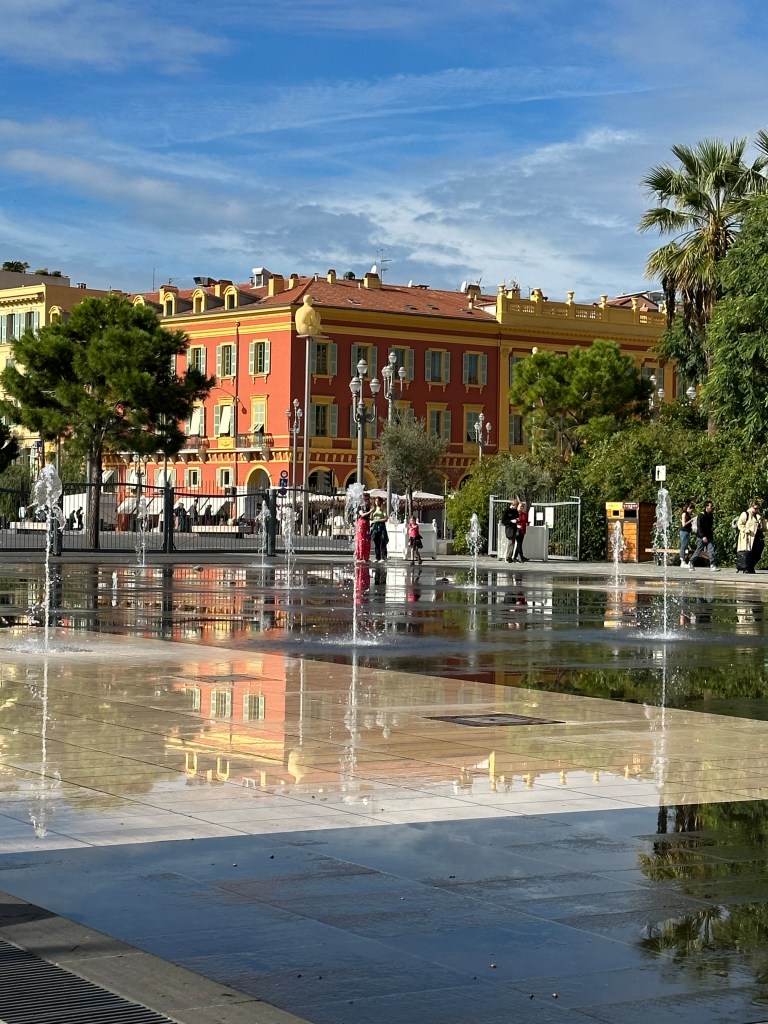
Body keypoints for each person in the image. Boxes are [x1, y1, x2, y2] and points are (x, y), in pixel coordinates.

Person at [687, 500, 719, 571]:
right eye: (710, 506)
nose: (712, 507)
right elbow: (699, 527)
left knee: (711, 550)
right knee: (699, 551)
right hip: (701, 537)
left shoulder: (711, 515)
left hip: (709, 536)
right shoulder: (701, 515)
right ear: (706, 507)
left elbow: (710, 526)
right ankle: (691, 561)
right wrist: (703, 536)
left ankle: (713, 565)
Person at [737, 499, 765, 574]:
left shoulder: (758, 515)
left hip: (757, 536)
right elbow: (739, 524)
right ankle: (748, 567)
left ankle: (751, 566)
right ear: (751, 507)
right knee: (748, 553)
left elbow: (763, 526)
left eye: (758, 508)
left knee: (758, 552)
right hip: (749, 536)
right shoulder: (745, 514)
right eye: (755, 508)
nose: (757, 509)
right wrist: (745, 529)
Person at [370, 496, 389, 562]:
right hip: (375, 526)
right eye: (376, 501)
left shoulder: (383, 508)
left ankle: (383, 557)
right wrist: (371, 511)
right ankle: (377, 557)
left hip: (381, 525)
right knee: (376, 542)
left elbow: (386, 518)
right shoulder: (374, 508)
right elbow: (371, 518)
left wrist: (377, 520)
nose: (377, 502)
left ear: (380, 501)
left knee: (382, 541)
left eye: (378, 501)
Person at [355, 493, 372, 563]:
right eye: (365, 499)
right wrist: (370, 511)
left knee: (367, 540)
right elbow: (362, 514)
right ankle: (360, 557)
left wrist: (371, 512)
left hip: (367, 524)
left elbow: (370, 517)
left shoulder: (369, 507)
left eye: (368, 499)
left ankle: (366, 557)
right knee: (361, 540)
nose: (367, 500)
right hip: (361, 524)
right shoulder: (360, 506)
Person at [679, 501, 696, 565]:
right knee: (683, 545)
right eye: (691, 509)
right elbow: (684, 524)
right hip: (684, 531)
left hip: (687, 531)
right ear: (688, 508)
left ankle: (683, 559)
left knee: (685, 545)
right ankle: (682, 559)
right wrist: (691, 520)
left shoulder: (688, 514)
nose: (692, 511)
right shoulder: (684, 514)